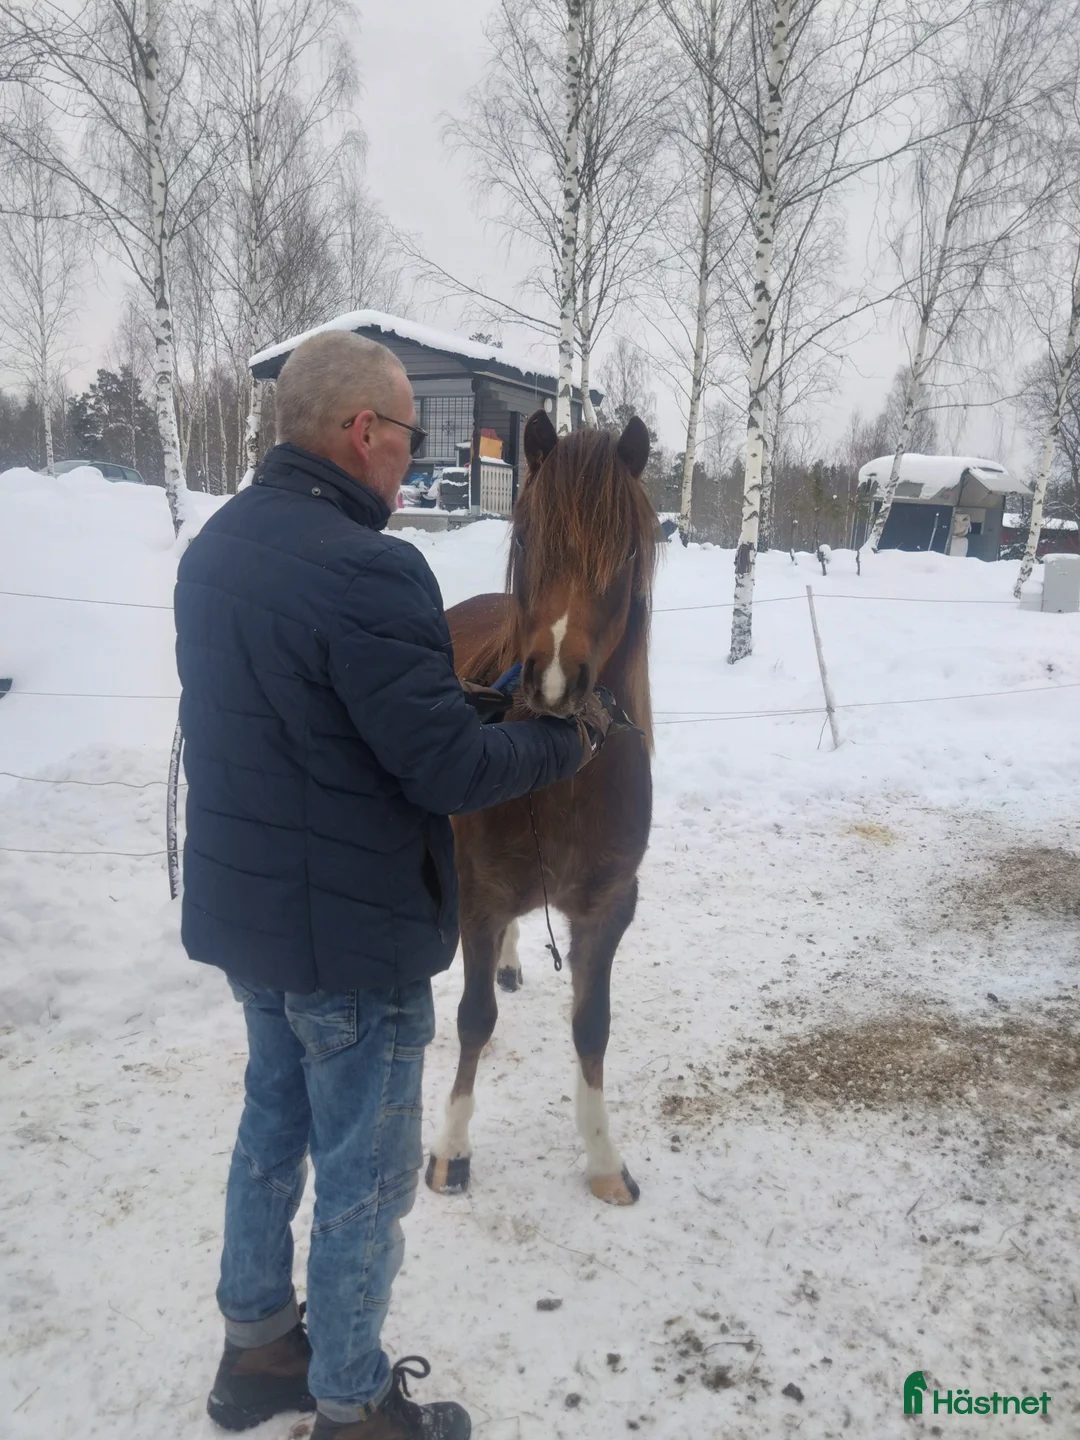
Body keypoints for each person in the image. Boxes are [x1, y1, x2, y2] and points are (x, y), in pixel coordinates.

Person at [174, 331, 614, 1440]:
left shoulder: (217, 548)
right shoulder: (371, 568)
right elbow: (446, 769)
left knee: (271, 1133)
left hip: (255, 921)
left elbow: (328, 719)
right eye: (411, 437)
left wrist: (469, 709)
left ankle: (259, 1347)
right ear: (361, 432)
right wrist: (562, 744)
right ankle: (354, 1403)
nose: (414, 461)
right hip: (352, 937)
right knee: (367, 1179)